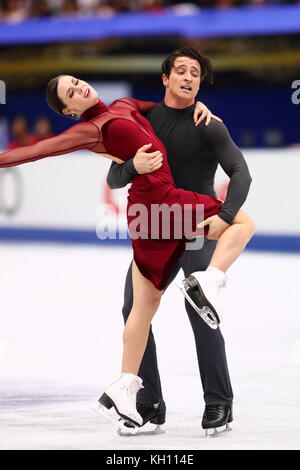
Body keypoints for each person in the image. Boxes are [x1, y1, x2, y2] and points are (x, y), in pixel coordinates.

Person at [0, 66, 254, 430]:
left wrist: (200, 105)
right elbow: (38, 150)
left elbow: (165, 109)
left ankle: (127, 386)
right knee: (242, 227)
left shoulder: (126, 104)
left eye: (76, 81)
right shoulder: (89, 129)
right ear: (69, 110)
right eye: (71, 93)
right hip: (164, 204)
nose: (79, 87)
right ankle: (209, 283)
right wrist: (132, 165)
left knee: (142, 307)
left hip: (149, 210)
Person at [106, 46, 253, 433]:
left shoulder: (209, 124)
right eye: (181, 71)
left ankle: (220, 403)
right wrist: (131, 166)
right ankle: (148, 403)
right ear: (165, 79)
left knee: (200, 310)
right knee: (133, 310)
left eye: (196, 74)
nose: (189, 78)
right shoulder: (143, 121)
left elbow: (241, 173)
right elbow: (114, 178)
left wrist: (223, 217)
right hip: (156, 227)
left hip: (194, 230)